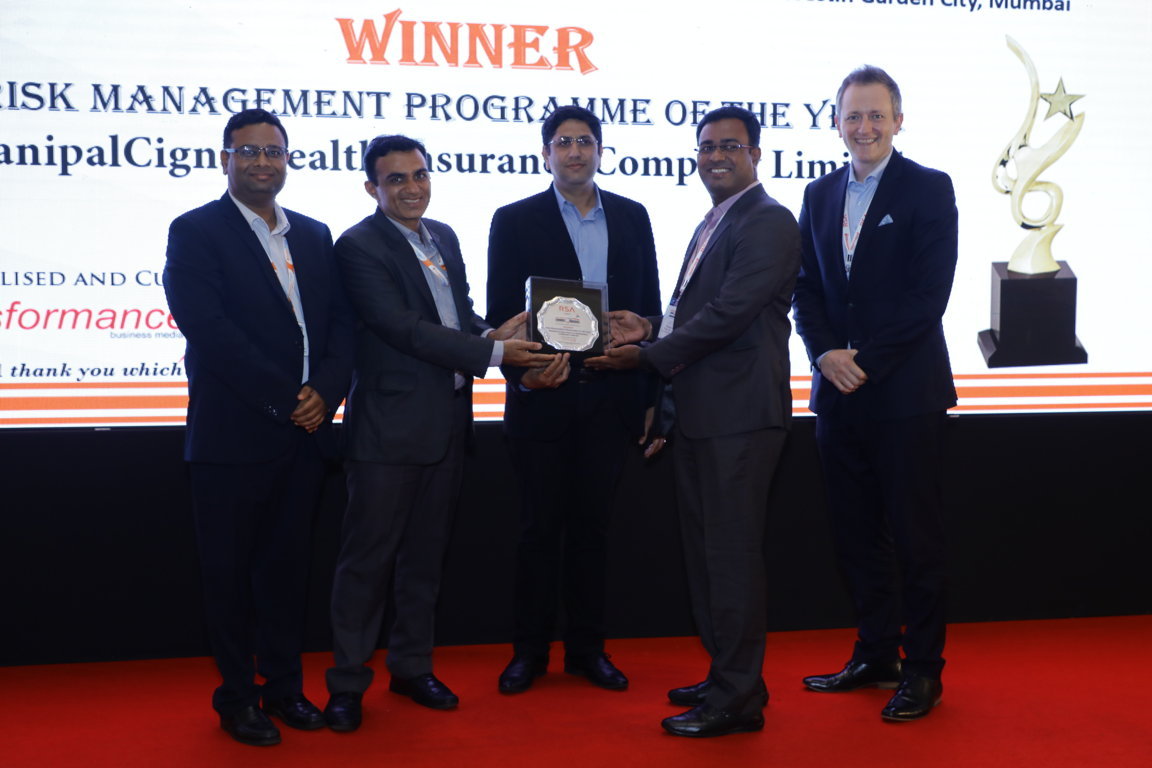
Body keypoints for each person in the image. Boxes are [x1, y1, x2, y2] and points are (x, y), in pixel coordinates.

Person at [323, 135, 553, 731]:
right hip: (387, 432)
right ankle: (347, 683)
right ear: (371, 188)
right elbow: (401, 327)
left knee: (424, 560)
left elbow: (456, 317)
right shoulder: (358, 245)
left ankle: (410, 667)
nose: (412, 188)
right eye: (396, 179)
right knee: (367, 563)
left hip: (447, 424)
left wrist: (496, 333)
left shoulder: (443, 236)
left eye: (420, 175)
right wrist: (496, 353)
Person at [587, 106, 800, 737]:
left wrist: (646, 356)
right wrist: (650, 326)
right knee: (709, 558)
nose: (716, 156)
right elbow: (698, 313)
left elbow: (730, 314)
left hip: (739, 417)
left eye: (730, 146)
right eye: (706, 147)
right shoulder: (716, 220)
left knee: (730, 559)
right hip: (703, 415)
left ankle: (736, 698)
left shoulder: (768, 220)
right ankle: (731, 675)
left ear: (755, 154)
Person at [163, 109, 355, 746]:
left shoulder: (315, 234)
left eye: (273, 151)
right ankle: (238, 698)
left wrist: (326, 393)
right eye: (248, 152)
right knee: (229, 578)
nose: (262, 162)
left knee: (287, 573)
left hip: (307, 437)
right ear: (225, 160)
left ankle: (284, 688)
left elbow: (340, 326)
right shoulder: (195, 231)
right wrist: (288, 399)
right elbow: (209, 330)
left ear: (287, 160)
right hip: (233, 437)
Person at [791, 65, 958, 721]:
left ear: (898, 120)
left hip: (905, 395)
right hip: (837, 396)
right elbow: (805, 289)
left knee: (917, 539)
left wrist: (864, 363)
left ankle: (923, 670)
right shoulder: (818, 194)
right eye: (853, 116)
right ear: (837, 124)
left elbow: (928, 296)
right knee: (856, 536)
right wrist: (825, 355)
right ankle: (875, 653)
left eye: (876, 115)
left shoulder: (929, 188)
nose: (864, 127)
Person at [485, 105, 662, 695]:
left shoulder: (633, 216)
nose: (575, 151)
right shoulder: (514, 220)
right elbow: (501, 316)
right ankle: (528, 654)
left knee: (594, 532)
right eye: (563, 142)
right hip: (542, 398)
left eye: (585, 141)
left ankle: (588, 651)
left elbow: (649, 309)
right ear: (546, 154)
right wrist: (524, 377)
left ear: (600, 151)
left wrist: (648, 386)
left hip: (611, 399)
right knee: (537, 532)